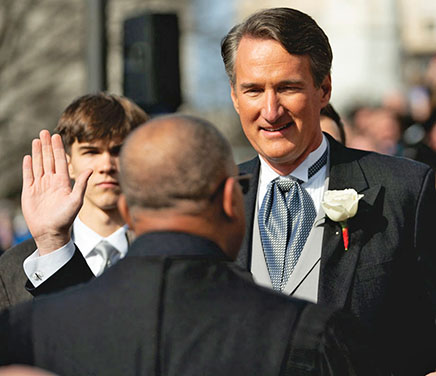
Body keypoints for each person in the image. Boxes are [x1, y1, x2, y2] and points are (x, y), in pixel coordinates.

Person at [0, 115, 385, 376]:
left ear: (126, 209)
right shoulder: (309, 333)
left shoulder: (28, 331)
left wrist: (52, 242)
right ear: (231, 200)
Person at [220, 7, 436, 375]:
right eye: (254, 90)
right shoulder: (212, 200)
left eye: (287, 88)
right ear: (235, 97)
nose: (271, 111)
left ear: (324, 90)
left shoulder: (408, 191)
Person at [0, 93, 149, 310]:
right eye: (91, 151)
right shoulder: (15, 266)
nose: (106, 165)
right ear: (68, 163)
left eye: (118, 150)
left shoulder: (169, 255)